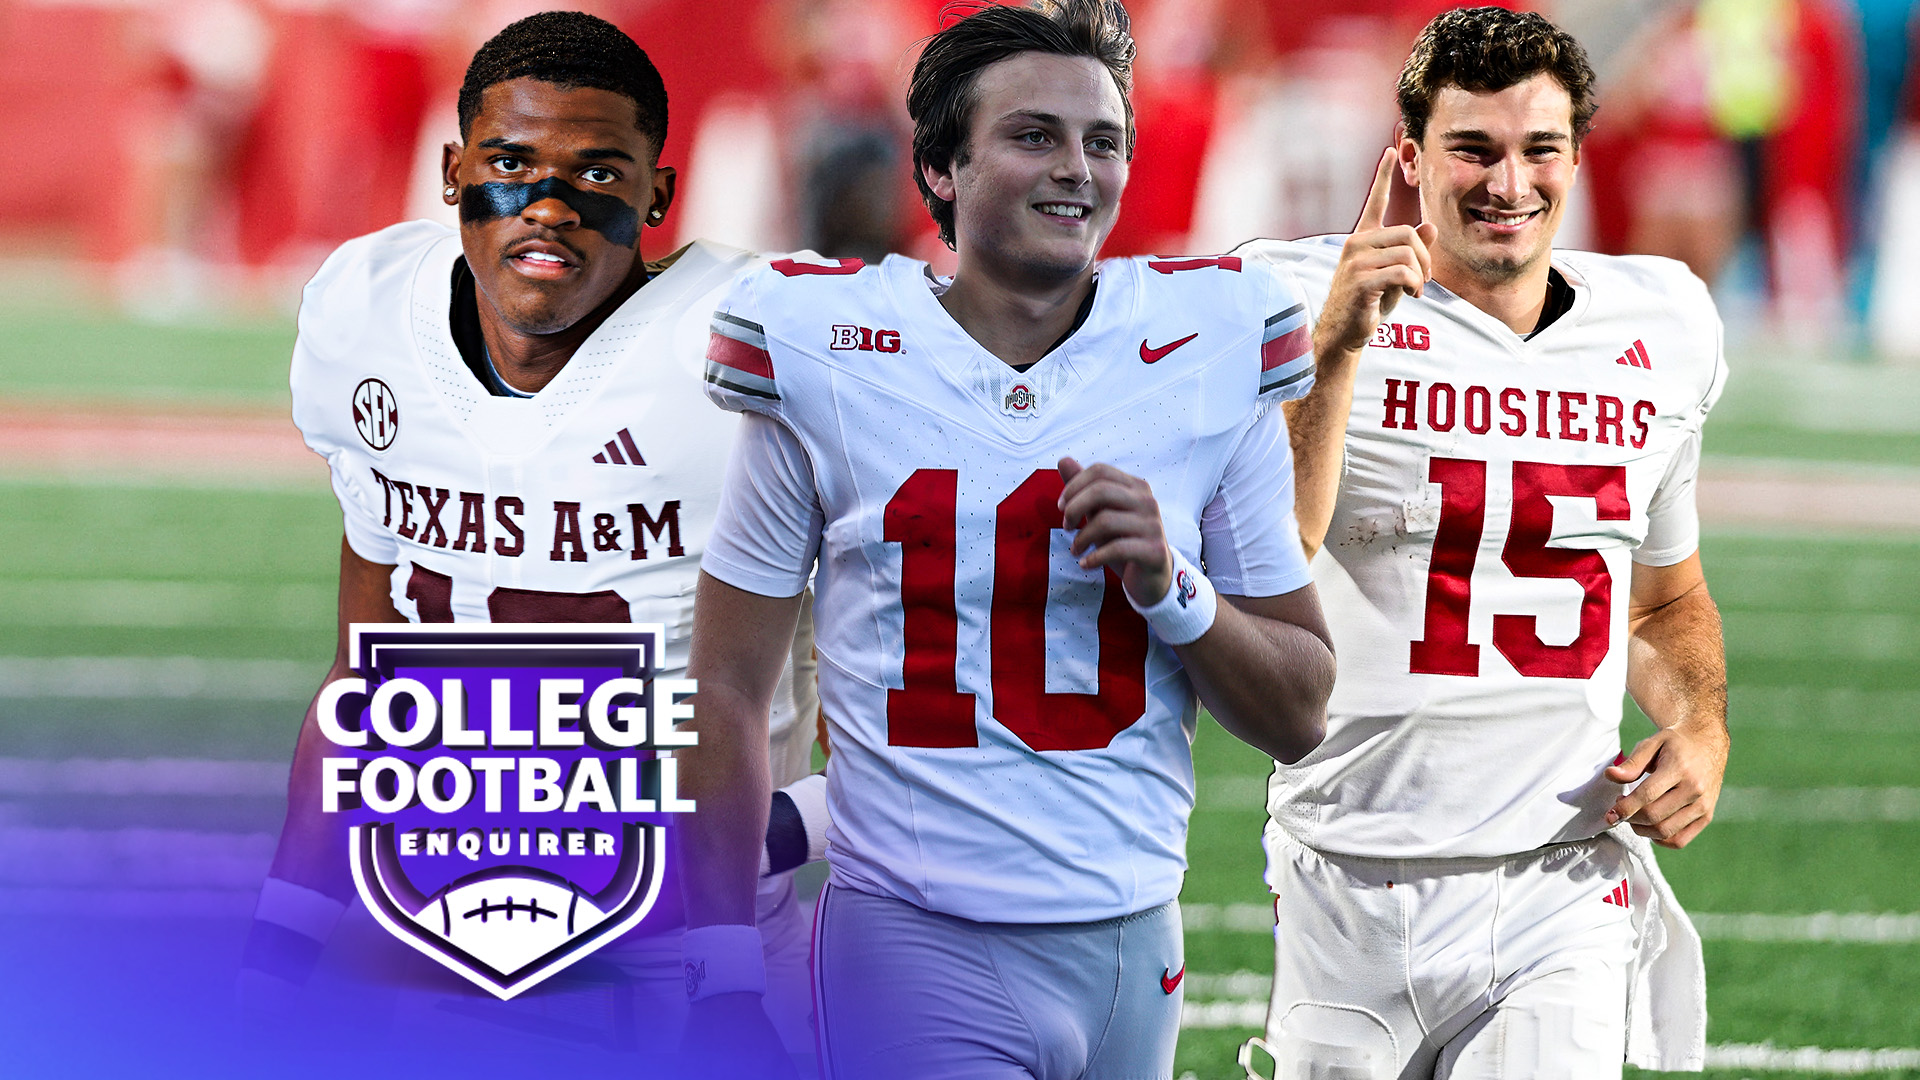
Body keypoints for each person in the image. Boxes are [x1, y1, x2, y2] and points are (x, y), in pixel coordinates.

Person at [677, 1, 1335, 1077]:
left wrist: (1176, 590)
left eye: (1102, 140)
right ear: (940, 169)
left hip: (1136, 947)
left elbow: (1302, 709)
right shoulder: (826, 348)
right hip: (913, 942)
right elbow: (728, 689)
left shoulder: (1209, 349)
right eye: (1033, 135)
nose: (1077, 168)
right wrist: (721, 961)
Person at [238, 11, 820, 1063]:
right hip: (444, 932)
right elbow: (360, 681)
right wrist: (273, 959)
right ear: (453, 170)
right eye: (511, 164)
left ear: (658, 193)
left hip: (693, 946)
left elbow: (928, 730)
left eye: (598, 174)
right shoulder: (363, 314)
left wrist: (760, 855)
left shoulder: (754, 338)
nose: (548, 207)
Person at [1237, 7, 1727, 1076]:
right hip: (1343, 880)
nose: (1510, 184)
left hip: (1559, 885)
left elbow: (1661, 602)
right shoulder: (1296, 298)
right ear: (1410, 159)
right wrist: (1335, 353)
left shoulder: (1661, 326)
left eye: (1538, 148)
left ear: (1578, 157)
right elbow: (1270, 559)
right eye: (1473, 150)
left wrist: (1699, 725)